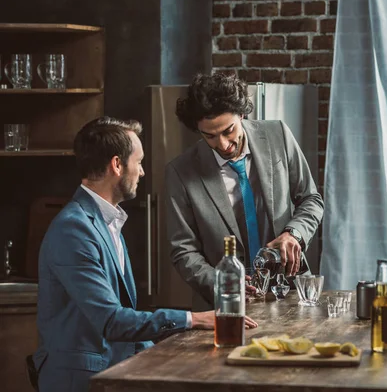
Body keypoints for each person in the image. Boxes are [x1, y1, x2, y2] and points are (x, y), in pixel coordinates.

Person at [33, 117, 257, 392]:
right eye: (138, 162)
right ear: (117, 165)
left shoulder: (105, 220)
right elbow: (112, 321)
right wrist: (195, 319)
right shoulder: (74, 229)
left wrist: (172, 360)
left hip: (111, 370)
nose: (141, 172)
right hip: (80, 381)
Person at [166, 72, 324, 311]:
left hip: (289, 292)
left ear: (242, 114)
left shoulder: (278, 134)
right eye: (209, 136)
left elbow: (311, 199)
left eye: (229, 130)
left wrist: (294, 234)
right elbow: (183, 250)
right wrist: (222, 283)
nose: (222, 144)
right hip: (224, 304)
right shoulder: (180, 172)